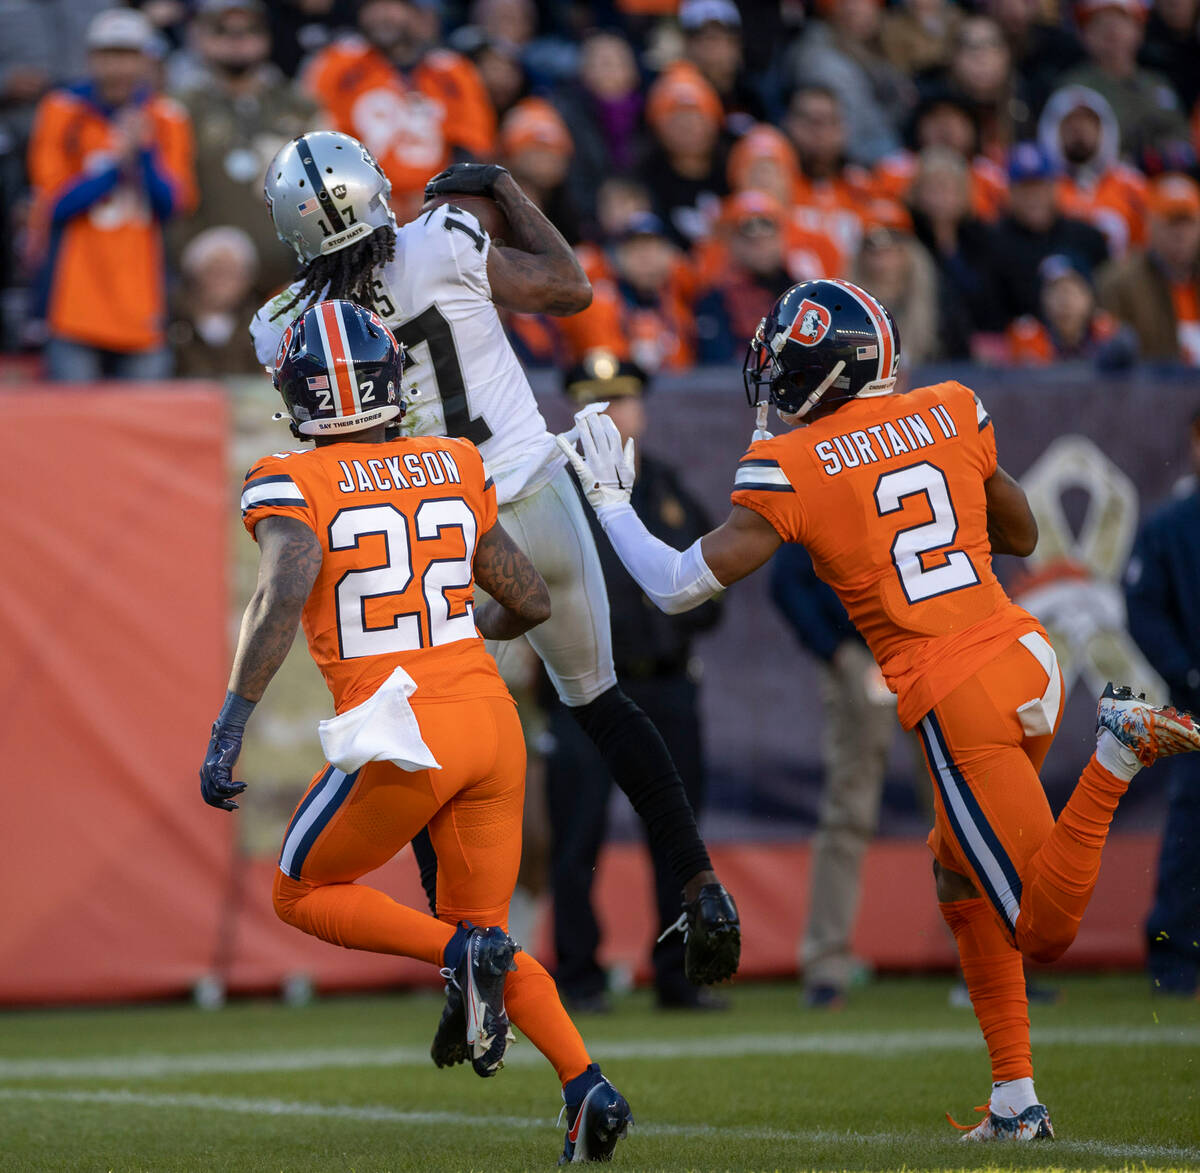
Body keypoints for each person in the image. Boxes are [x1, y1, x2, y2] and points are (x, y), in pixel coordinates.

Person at [557, 277, 1200, 1140]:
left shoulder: (790, 468)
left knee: (1042, 926)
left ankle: (1117, 751)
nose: (775, 380)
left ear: (824, 373)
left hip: (955, 690)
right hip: (1024, 655)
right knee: (956, 872)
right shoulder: (952, 405)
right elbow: (1020, 535)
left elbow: (677, 586)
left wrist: (607, 504)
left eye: (788, 366)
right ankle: (1015, 1097)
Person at [249, 134, 741, 989]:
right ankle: (699, 880)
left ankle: (460, 962)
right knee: (604, 703)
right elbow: (568, 287)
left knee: (422, 738)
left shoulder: (281, 324)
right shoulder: (443, 237)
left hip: (428, 520)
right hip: (533, 490)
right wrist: (504, 188)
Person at [200, 299, 632, 1163]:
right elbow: (533, 599)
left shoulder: (293, 476)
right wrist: (454, 638)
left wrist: (230, 721)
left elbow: (283, 592)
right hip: (488, 719)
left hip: (401, 728)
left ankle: (460, 952)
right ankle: (588, 1086)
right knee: (489, 936)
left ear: (302, 393)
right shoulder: (450, 460)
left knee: (301, 891)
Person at [545, 352, 724, 1012]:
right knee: (577, 836)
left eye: (621, 403)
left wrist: (667, 616)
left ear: (641, 411)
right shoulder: (551, 490)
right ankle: (578, 974)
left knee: (677, 834)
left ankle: (678, 975)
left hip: (667, 683)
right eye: (596, 404)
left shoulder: (671, 487)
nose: (612, 417)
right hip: (584, 690)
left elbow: (714, 590)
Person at [26, 7, 195, 380]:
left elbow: (173, 204)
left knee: (143, 426)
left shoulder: (167, 117)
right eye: (109, 55)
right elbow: (53, 204)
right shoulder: (62, 110)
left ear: (147, 61)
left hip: (143, 300)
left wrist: (145, 154)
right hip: (74, 303)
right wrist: (116, 164)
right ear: (91, 59)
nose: (119, 68)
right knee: (71, 426)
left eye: (129, 55)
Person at [769, 542, 896, 1009]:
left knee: (962, 806)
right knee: (849, 810)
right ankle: (825, 963)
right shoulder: (832, 471)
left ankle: (990, 961)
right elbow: (786, 580)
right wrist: (835, 649)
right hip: (864, 654)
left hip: (934, 647)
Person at [170, 0, 321, 299]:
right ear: (200, 36)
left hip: (292, 277)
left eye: (250, 29)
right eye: (222, 30)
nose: (237, 39)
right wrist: (188, 258)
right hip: (209, 283)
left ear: (267, 37)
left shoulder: (300, 105)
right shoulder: (179, 108)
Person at [1125, 408, 1200, 997]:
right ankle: (1174, 958)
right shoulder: (1172, 526)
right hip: (1197, 705)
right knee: (1190, 831)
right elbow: (1144, 610)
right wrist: (1186, 671)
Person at [302, 0, 496, 218]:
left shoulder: (452, 70)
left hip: (437, 200)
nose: (380, 15)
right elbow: (317, 140)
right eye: (371, 7)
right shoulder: (336, 63)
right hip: (357, 200)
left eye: (391, 5)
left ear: (419, 14)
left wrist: (438, 196)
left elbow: (471, 145)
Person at [980, 142, 1109, 325]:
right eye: (1024, 189)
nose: (1033, 197)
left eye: (1040, 187)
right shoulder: (991, 242)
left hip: (1084, 347)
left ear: (1055, 188)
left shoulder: (1087, 237)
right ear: (1010, 192)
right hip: (1016, 346)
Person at [1097, 172, 1200, 363]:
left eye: (1188, 223)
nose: (1180, 234)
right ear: (1150, 225)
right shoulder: (1120, 284)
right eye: (1171, 223)